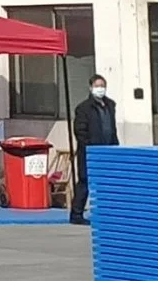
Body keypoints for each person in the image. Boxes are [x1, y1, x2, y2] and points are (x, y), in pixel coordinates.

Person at [69, 72, 118, 224]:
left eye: (102, 86)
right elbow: (80, 131)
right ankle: (76, 214)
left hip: (107, 150)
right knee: (85, 182)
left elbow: (112, 128)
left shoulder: (110, 105)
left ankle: (105, 213)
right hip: (89, 151)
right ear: (90, 88)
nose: (100, 89)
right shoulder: (83, 108)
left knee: (106, 182)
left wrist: (114, 146)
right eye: (97, 86)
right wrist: (89, 146)